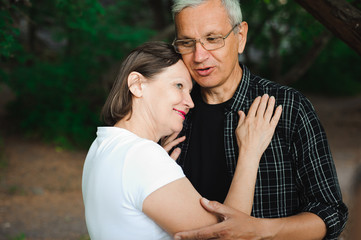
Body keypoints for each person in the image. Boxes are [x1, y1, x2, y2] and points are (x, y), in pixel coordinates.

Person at [169, 0, 348, 239]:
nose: (199, 56)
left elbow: (331, 213)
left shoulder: (289, 108)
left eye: (212, 39)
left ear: (240, 36)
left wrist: (260, 231)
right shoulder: (172, 114)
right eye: (187, 43)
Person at [81, 41, 282, 239]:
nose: (190, 102)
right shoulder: (141, 157)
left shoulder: (102, 146)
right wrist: (249, 153)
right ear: (137, 85)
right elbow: (228, 236)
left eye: (189, 89)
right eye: (178, 85)